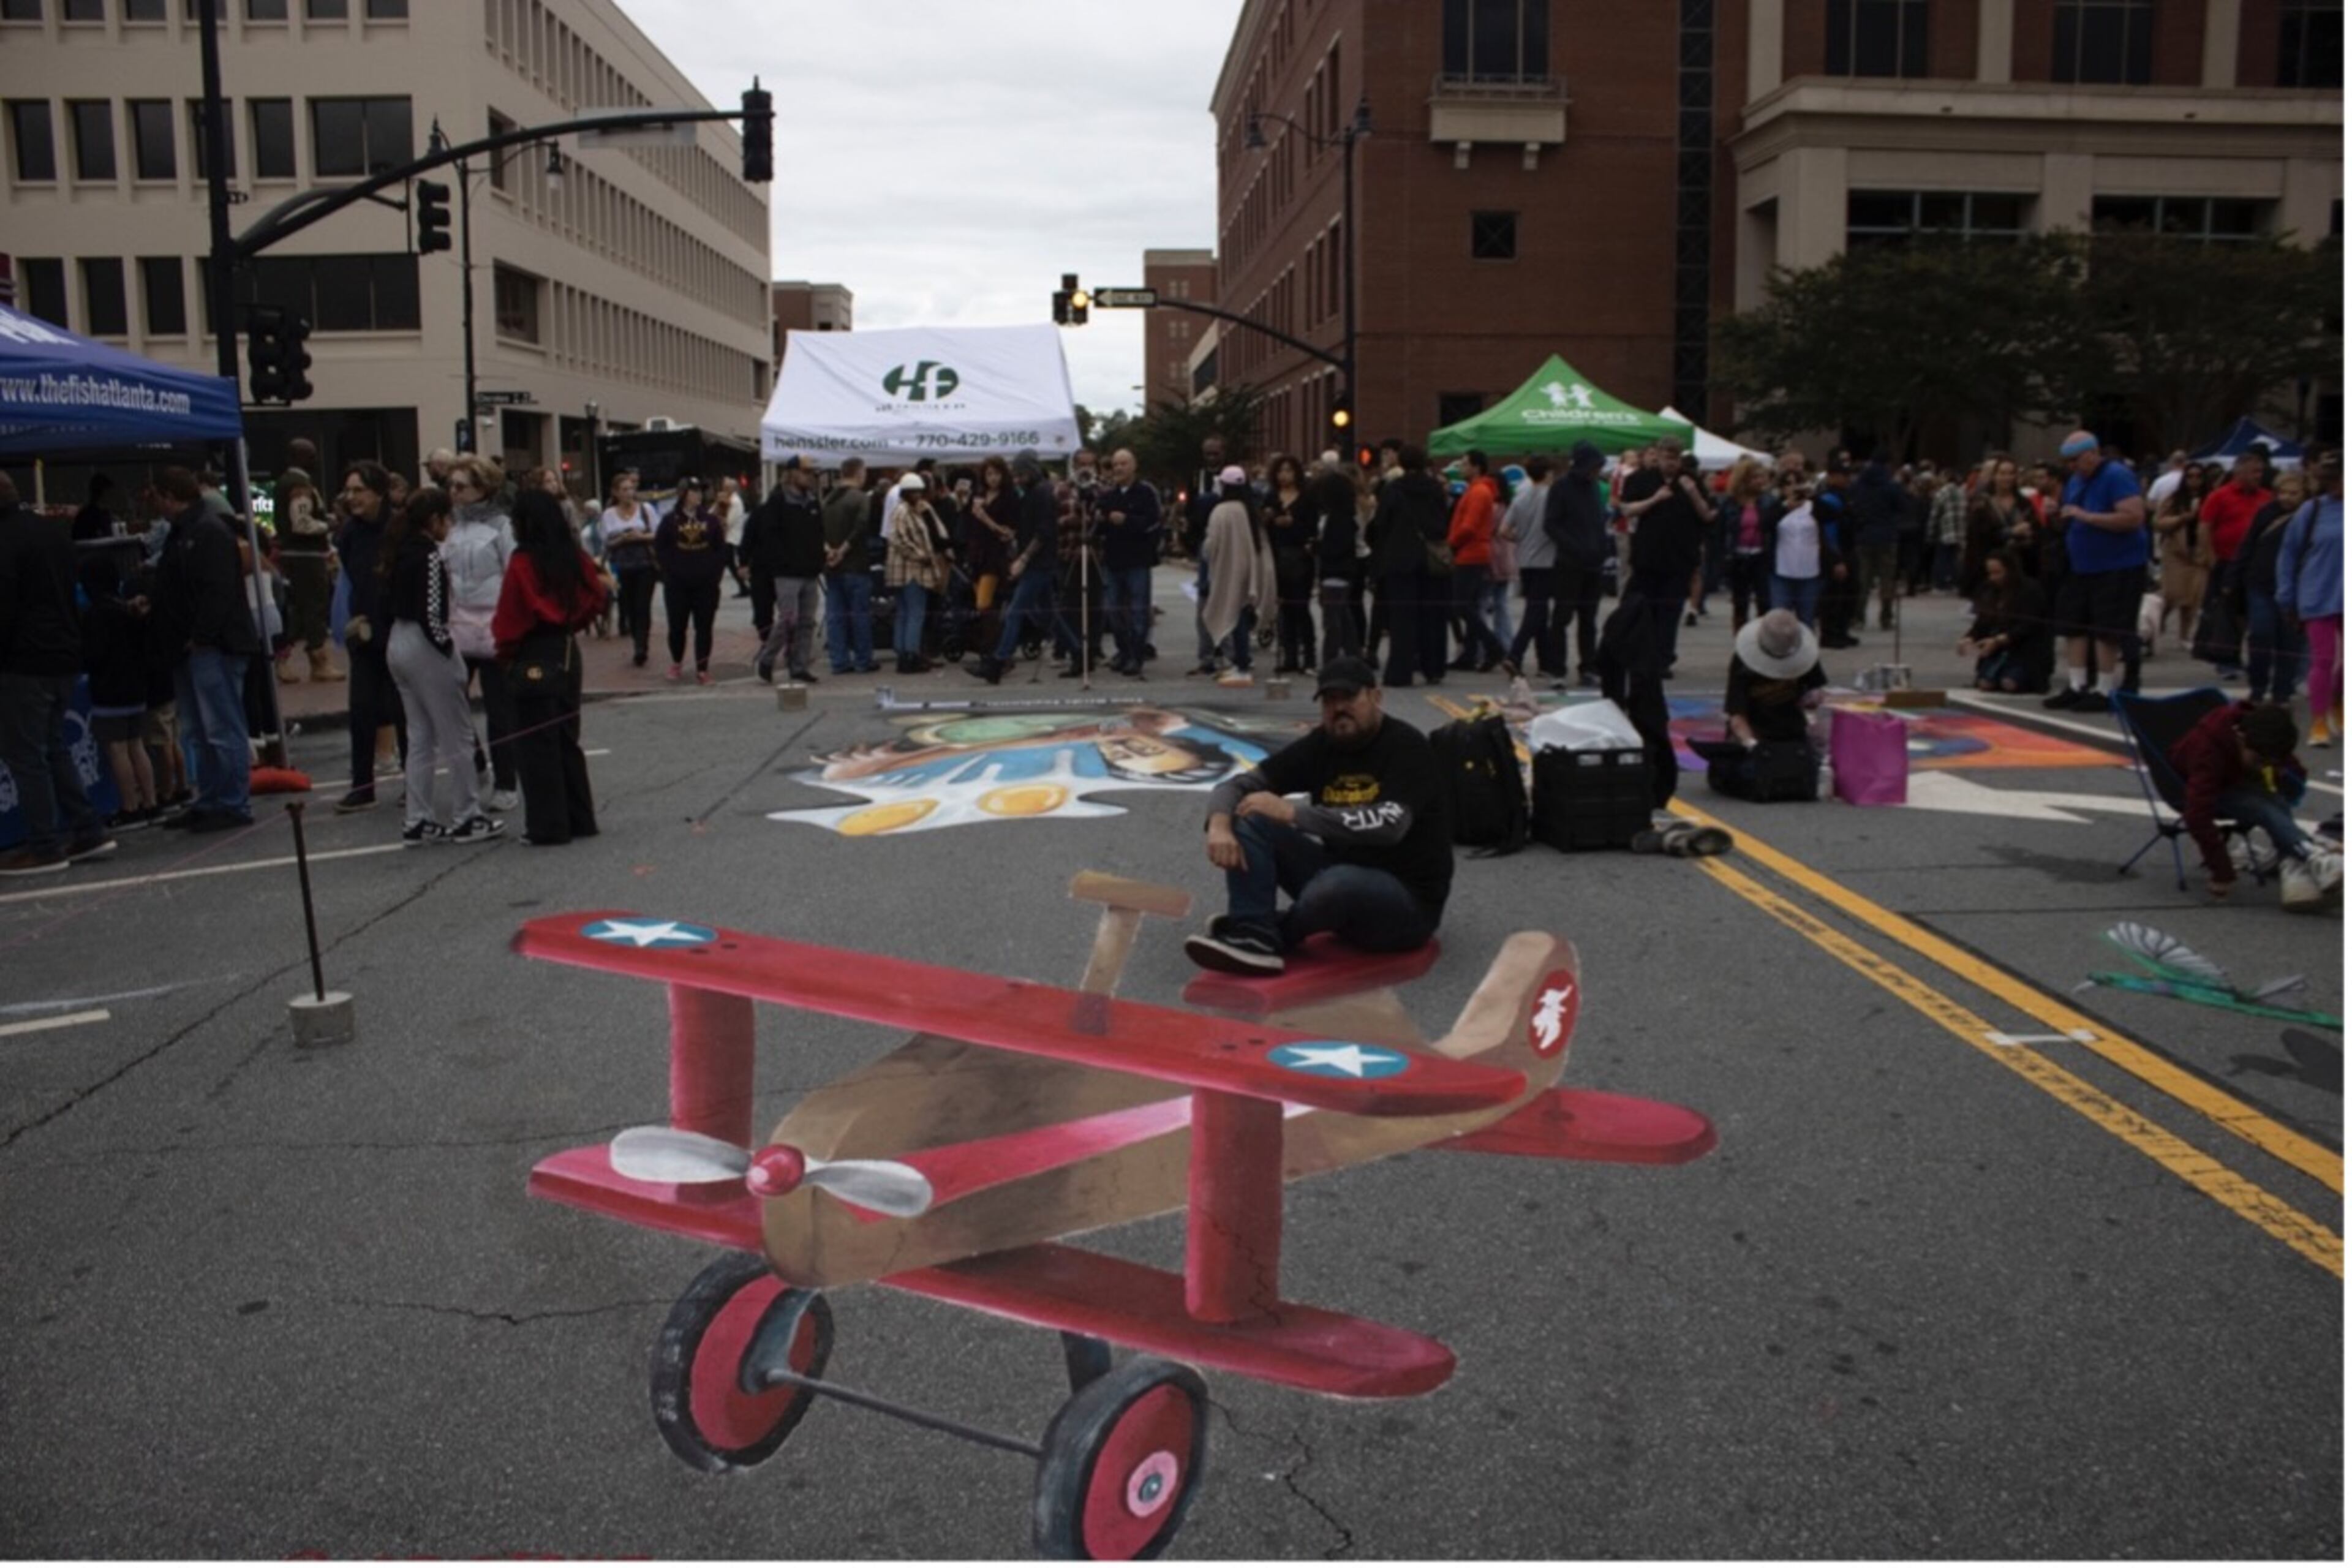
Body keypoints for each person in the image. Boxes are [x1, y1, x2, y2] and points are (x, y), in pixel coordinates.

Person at [1182, 655, 1452, 974]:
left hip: (1406, 905)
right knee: (1252, 814)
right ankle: (1253, 930)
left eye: (1349, 698)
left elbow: (1391, 825)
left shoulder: (1407, 747)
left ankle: (1276, 932)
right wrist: (1219, 823)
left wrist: (1294, 813)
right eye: (1330, 700)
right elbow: (1239, 786)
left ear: (1376, 697)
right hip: (1338, 880)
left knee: (1338, 883)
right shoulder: (1323, 744)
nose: (1339, 709)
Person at [0, 472, 115, 873]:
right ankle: (87, 828)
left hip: (24, 660)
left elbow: (5, 605)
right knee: (54, 746)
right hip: (63, 653)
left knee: (27, 754)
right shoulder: (50, 533)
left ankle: (44, 844)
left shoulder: (6, 541)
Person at [383, 486, 502, 846]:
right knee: (457, 735)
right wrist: (448, 648)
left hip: (398, 640)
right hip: (425, 644)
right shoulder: (430, 557)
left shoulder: (398, 552)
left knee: (419, 736)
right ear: (434, 520)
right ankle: (467, 814)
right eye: (446, 518)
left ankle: (417, 818)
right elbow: (433, 610)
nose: (449, 525)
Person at [147, 466, 260, 832]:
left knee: (220, 727)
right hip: (193, 644)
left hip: (212, 645)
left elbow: (219, 589)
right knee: (199, 729)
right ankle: (211, 798)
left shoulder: (205, 531)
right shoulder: (191, 531)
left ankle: (230, 800)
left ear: (167, 496)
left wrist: (203, 635)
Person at [494, 489, 607, 846]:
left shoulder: (523, 562)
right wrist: (575, 620)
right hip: (567, 649)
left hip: (532, 651)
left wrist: (505, 652)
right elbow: (599, 595)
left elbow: (512, 615)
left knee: (535, 742)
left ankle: (548, 825)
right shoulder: (571, 555)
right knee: (565, 737)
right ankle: (579, 817)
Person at [2171, 699, 2340, 910]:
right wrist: (2222, 870)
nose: (2265, 767)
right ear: (2241, 738)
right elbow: (2197, 816)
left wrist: (2287, 779)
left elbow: (2290, 768)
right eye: (2260, 760)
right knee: (2263, 808)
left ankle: (2295, 868)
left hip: (2236, 779)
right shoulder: (2209, 751)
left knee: (2276, 802)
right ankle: (2311, 858)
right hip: (2202, 788)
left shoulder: (2263, 733)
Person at [2043, 430, 2149, 711]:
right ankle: (2078, 684)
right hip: (2081, 565)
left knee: (2107, 628)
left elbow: (2133, 517)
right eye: (2067, 462)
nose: (2072, 467)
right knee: (2074, 624)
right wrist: (2057, 512)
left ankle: (2104, 689)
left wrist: (2087, 517)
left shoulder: (2117, 475)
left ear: (2093, 453)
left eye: (2076, 460)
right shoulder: (2077, 480)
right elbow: (2070, 515)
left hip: (2117, 565)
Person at [441, 454, 518, 810]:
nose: (453, 492)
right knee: (452, 704)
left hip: (493, 627)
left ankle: (506, 783)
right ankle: (476, 763)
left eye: (461, 486)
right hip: (456, 626)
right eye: (450, 486)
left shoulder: (502, 525)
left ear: (483, 488)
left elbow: (513, 573)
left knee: (498, 709)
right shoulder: (448, 526)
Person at [331, 462, 404, 813]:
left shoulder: (398, 528)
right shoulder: (349, 532)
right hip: (363, 632)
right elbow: (349, 578)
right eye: (349, 490)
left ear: (379, 492)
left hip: (396, 628)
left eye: (359, 490)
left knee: (403, 708)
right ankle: (362, 785)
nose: (352, 497)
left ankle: (413, 779)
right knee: (361, 709)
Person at [1705, 608, 1827, 800]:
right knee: (1749, 771)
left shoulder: (1806, 657)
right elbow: (1737, 717)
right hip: (1756, 733)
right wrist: (1752, 745)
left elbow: (1817, 694)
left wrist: (1813, 699)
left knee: (1813, 769)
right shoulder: (1742, 662)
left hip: (1792, 733)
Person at [966, 453, 1063, 684]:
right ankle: (1080, 652)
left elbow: (1043, 532)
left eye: (1021, 474)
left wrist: (1024, 558)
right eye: (1016, 475)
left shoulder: (1042, 494)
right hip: (1035, 562)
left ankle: (998, 663)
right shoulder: (1031, 494)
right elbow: (1025, 528)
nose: (1018, 479)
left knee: (1015, 612)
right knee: (1049, 615)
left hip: (1040, 564)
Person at [79, 555, 159, 832]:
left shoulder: (95, 615)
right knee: (137, 745)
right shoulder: (128, 610)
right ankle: (150, 801)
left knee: (117, 748)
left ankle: (130, 806)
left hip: (109, 690)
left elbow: (93, 655)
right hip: (136, 687)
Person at [1618, 436, 1710, 670]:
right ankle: (1639, 655)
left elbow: (1708, 515)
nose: (1672, 463)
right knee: (1643, 609)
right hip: (1648, 557)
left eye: (1676, 458)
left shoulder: (1690, 480)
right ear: (1657, 456)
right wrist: (1655, 499)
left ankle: (1663, 659)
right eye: (1668, 458)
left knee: (1671, 611)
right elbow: (1627, 509)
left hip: (1679, 558)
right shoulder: (1640, 479)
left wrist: (1694, 494)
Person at [1366, 445, 1452, 688]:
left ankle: (1400, 671)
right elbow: (1443, 522)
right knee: (1432, 616)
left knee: (1402, 619)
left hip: (1400, 560)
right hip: (1430, 560)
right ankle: (1434, 667)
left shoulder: (1395, 490)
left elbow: (1381, 525)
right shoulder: (1435, 489)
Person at [2275, 447, 2343, 748]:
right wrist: (2287, 594)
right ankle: (2318, 721)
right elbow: (2289, 553)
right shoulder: (2312, 511)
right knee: (2323, 659)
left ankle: (2339, 702)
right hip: (2318, 594)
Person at [748, 458, 827, 685]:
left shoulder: (812, 502)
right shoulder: (778, 502)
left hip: (809, 571)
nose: (810, 477)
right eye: (805, 472)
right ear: (792, 474)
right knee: (788, 619)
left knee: (807, 621)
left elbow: (818, 533)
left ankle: (799, 665)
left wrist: (820, 558)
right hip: (787, 572)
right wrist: (779, 562)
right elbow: (769, 537)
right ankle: (768, 657)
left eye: (812, 473)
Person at [2195, 449, 2272, 679]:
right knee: (2227, 614)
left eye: (2260, 471)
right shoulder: (2220, 496)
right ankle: (2228, 657)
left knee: (2250, 614)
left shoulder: (2266, 498)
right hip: (2227, 563)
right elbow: (2205, 527)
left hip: (2256, 565)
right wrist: (2210, 558)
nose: (2258, 476)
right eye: (2253, 471)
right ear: (2239, 471)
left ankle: (2251, 658)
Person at [2235, 467, 2309, 707]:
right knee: (2262, 634)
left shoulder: (2310, 516)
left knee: (2289, 642)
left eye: (2294, 493)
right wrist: (2233, 578)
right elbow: (2249, 544)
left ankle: (2282, 692)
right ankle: (2257, 687)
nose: (2287, 497)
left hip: (2296, 587)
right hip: (2262, 583)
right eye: (2283, 492)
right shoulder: (2266, 513)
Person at [1199, 466, 1279, 684]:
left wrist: (1207, 556)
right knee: (1241, 615)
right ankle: (1241, 662)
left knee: (1235, 619)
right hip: (1248, 572)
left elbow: (1211, 545)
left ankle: (1242, 664)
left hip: (1228, 571)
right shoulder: (1250, 510)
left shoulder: (1221, 511)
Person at [1541, 442, 1611, 684]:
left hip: (1593, 563)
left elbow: (1598, 520)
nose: (1596, 472)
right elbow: (1551, 523)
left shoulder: (1594, 488)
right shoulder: (1561, 488)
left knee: (1588, 619)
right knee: (1562, 616)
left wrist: (1601, 547)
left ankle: (1588, 666)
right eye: (1593, 467)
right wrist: (1574, 546)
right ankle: (1557, 668)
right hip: (1569, 563)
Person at [654, 475, 729, 684]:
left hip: (705, 584)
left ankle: (703, 669)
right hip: (677, 585)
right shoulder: (670, 521)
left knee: (704, 627)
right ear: (683, 494)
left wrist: (714, 573)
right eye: (693, 491)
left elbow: (720, 550)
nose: (698, 496)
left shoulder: (711, 521)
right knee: (677, 627)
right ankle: (676, 661)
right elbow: (660, 548)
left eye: (699, 492)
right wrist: (670, 570)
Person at [1096, 448, 1163, 677]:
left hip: (1137, 560)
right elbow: (1100, 529)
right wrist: (1100, 520)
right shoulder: (1108, 496)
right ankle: (1123, 651)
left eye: (1124, 464)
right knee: (1113, 611)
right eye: (1115, 464)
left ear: (1134, 466)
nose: (1118, 469)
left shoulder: (1145, 493)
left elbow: (1153, 523)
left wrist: (1128, 520)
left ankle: (1136, 655)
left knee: (1138, 611)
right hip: (1114, 561)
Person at [1444, 450, 1511, 673]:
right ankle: (1471, 654)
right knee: (1469, 605)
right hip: (1474, 552)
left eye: (1465, 464)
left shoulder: (1479, 492)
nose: (1461, 468)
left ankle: (1493, 646)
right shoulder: (1479, 491)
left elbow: (1469, 526)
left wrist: (1452, 543)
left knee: (1461, 605)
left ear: (1476, 467)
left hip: (1470, 553)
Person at [273, 466, 341, 684]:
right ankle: (319, 661)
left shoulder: (284, 481)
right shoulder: (299, 485)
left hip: (293, 553)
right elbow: (302, 523)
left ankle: (284, 657)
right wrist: (327, 525)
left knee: (301, 609)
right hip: (306, 555)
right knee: (315, 605)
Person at [1958, 549, 2052, 693]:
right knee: (1985, 684)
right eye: (1990, 573)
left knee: (2010, 683)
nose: (1993, 578)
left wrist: (2000, 640)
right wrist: (1969, 638)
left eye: (1998, 573)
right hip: (1999, 651)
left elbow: (2029, 626)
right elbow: (1982, 623)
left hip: (2026, 651)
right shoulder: (1989, 590)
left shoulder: (2030, 590)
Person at [883, 473, 946, 674]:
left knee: (904, 613)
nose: (918, 495)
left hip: (901, 571)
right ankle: (911, 655)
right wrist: (921, 555)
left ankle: (903, 653)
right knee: (915, 614)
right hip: (912, 570)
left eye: (920, 491)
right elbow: (898, 539)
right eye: (914, 492)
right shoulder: (904, 512)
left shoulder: (907, 510)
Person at [821, 458, 879, 675]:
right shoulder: (861, 498)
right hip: (856, 565)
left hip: (832, 566)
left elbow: (818, 528)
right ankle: (863, 660)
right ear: (858, 473)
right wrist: (843, 550)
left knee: (835, 615)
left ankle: (839, 660)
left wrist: (829, 551)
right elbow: (861, 526)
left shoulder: (827, 499)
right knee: (859, 614)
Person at [1502, 456, 1558, 677]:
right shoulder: (1551, 496)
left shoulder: (1521, 496)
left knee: (1539, 609)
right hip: (1547, 558)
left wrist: (1521, 539)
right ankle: (1515, 654)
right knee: (1537, 610)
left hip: (1525, 558)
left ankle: (1545, 661)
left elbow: (1504, 530)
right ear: (1547, 474)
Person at [1264, 454, 1319, 674]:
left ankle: (1310, 657)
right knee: (1284, 608)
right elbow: (1265, 527)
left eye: (1288, 471)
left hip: (1300, 557)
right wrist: (1271, 520)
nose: (1284, 475)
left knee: (1301, 607)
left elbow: (1312, 528)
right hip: (1278, 556)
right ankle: (1290, 656)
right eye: (1280, 471)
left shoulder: (1307, 498)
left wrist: (1293, 523)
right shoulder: (1271, 497)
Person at [599, 470, 658, 668]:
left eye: (631, 489)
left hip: (645, 564)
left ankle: (641, 646)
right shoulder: (609, 514)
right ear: (615, 493)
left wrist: (641, 537)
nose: (629, 493)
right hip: (623, 566)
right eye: (624, 490)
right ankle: (635, 637)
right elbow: (606, 542)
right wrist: (622, 539)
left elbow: (658, 534)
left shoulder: (646, 510)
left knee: (643, 606)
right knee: (630, 607)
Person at [2151, 461, 2212, 649]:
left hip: (2199, 554)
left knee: (2192, 598)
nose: (2194, 480)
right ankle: (2157, 622)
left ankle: (2185, 635)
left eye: (2198, 476)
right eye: (2190, 476)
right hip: (2177, 553)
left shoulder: (2210, 499)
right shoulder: (2175, 499)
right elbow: (2158, 522)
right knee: (2173, 594)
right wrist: (2182, 518)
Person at [1714, 456, 1778, 631]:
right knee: (1740, 603)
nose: (1760, 481)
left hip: (1761, 555)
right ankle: (1741, 638)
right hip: (1738, 556)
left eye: (1762, 477)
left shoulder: (1769, 502)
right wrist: (1721, 559)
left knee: (1765, 600)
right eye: (1755, 477)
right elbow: (1720, 532)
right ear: (1744, 480)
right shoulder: (1729, 503)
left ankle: (1763, 636)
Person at [1962, 455, 2038, 597]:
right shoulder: (1983, 504)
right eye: (2003, 473)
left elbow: (2035, 531)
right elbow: (1977, 536)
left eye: (2011, 474)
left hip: (2019, 566)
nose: (2007, 478)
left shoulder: (2024, 504)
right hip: (1988, 567)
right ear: (1995, 476)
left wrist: (2028, 534)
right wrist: (2011, 532)